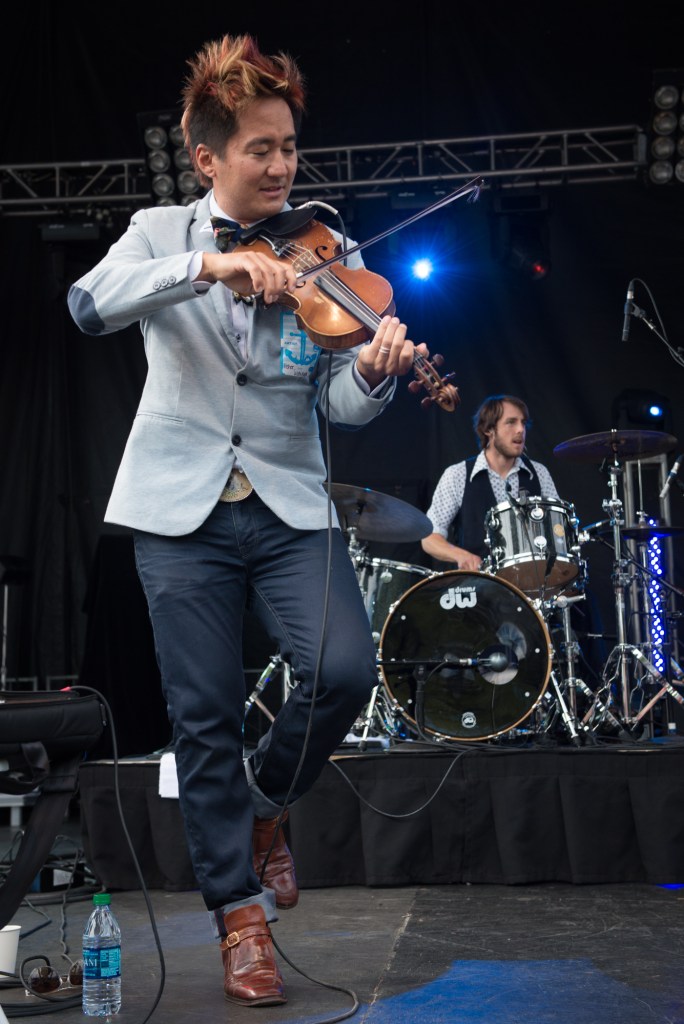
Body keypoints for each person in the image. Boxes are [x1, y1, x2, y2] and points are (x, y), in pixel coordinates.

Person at [67, 33, 428, 1007]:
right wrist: (209, 268)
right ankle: (238, 916)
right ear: (209, 156)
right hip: (176, 511)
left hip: (287, 501)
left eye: (287, 146)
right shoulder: (157, 232)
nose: (280, 165)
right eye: (260, 147)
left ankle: (267, 809)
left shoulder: (328, 249)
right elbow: (88, 303)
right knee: (203, 717)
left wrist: (377, 374)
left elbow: (337, 403)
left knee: (344, 667)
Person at [421, 394, 559, 570]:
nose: (520, 429)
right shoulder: (457, 475)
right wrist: (460, 555)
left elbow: (557, 528)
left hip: (533, 584)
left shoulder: (539, 473)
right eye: (511, 422)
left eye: (523, 423)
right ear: (489, 430)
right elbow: (429, 537)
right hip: (480, 587)